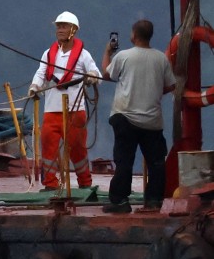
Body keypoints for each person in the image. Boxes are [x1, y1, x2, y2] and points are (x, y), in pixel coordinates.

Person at [100, 19, 175, 213]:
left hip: (125, 117)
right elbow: (171, 85)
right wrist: (154, 91)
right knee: (156, 163)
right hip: (152, 120)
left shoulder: (123, 56)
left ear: (133, 35)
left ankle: (119, 201)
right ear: (150, 35)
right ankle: (154, 200)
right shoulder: (161, 59)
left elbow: (107, 74)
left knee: (124, 160)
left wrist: (108, 51)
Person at [28, 11, 101, 192]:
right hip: (52, 110)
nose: (59, 30)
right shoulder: (48, 53)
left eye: (63, 26)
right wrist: (35, 86)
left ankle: (85, 182)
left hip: (75, 109)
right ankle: (50, 183)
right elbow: (41, 72)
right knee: (48, 145)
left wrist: (91, 77)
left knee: (77, 149)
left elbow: (96, 74)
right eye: (58, 26)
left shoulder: (83, 55)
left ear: (73, 30)